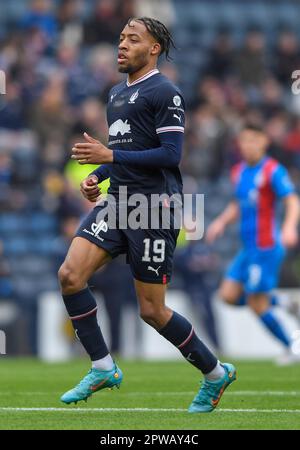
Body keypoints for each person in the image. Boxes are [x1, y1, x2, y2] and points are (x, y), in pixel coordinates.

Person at [58, 17, 236, 413]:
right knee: (70, 276)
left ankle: (215, 373)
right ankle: (103, 366)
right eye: (121, 38)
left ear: (153, 48)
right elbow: (128, 149)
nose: (122, 44)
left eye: (132, 39)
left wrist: (110, 157)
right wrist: (99, 176)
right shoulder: (116, 93)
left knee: (152, 311)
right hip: (118, 201)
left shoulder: (165, 92)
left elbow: (170, 156)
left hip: (153, 207)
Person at [207, 123, 300, 365]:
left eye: (253, 140)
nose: (248, 146)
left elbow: (291, 200)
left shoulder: (272, 170)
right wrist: (220, 222)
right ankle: (282, 302)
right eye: (244, 141)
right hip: (247, 248)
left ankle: (293, 346)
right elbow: (238, 204)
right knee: (227, 295)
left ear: (264, 142)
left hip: (266, 246)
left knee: (255, 302)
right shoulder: (238, 171)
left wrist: (289, 227)